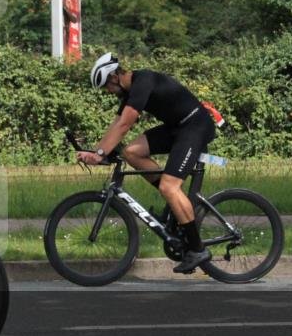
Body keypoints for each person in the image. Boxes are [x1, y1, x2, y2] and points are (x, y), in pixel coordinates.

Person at [81, 52, 218, 273]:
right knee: (132, 152)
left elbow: (125, 124)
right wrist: (97, 151)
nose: (108, 92)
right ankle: (175, 204)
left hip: (195, 127)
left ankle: (197, 248)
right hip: (177, 128)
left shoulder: (142, 81)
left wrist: (99, 153)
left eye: (107, 86)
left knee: (169, 186)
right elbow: (117, 123)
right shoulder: (131, 92)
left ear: (114, 77)